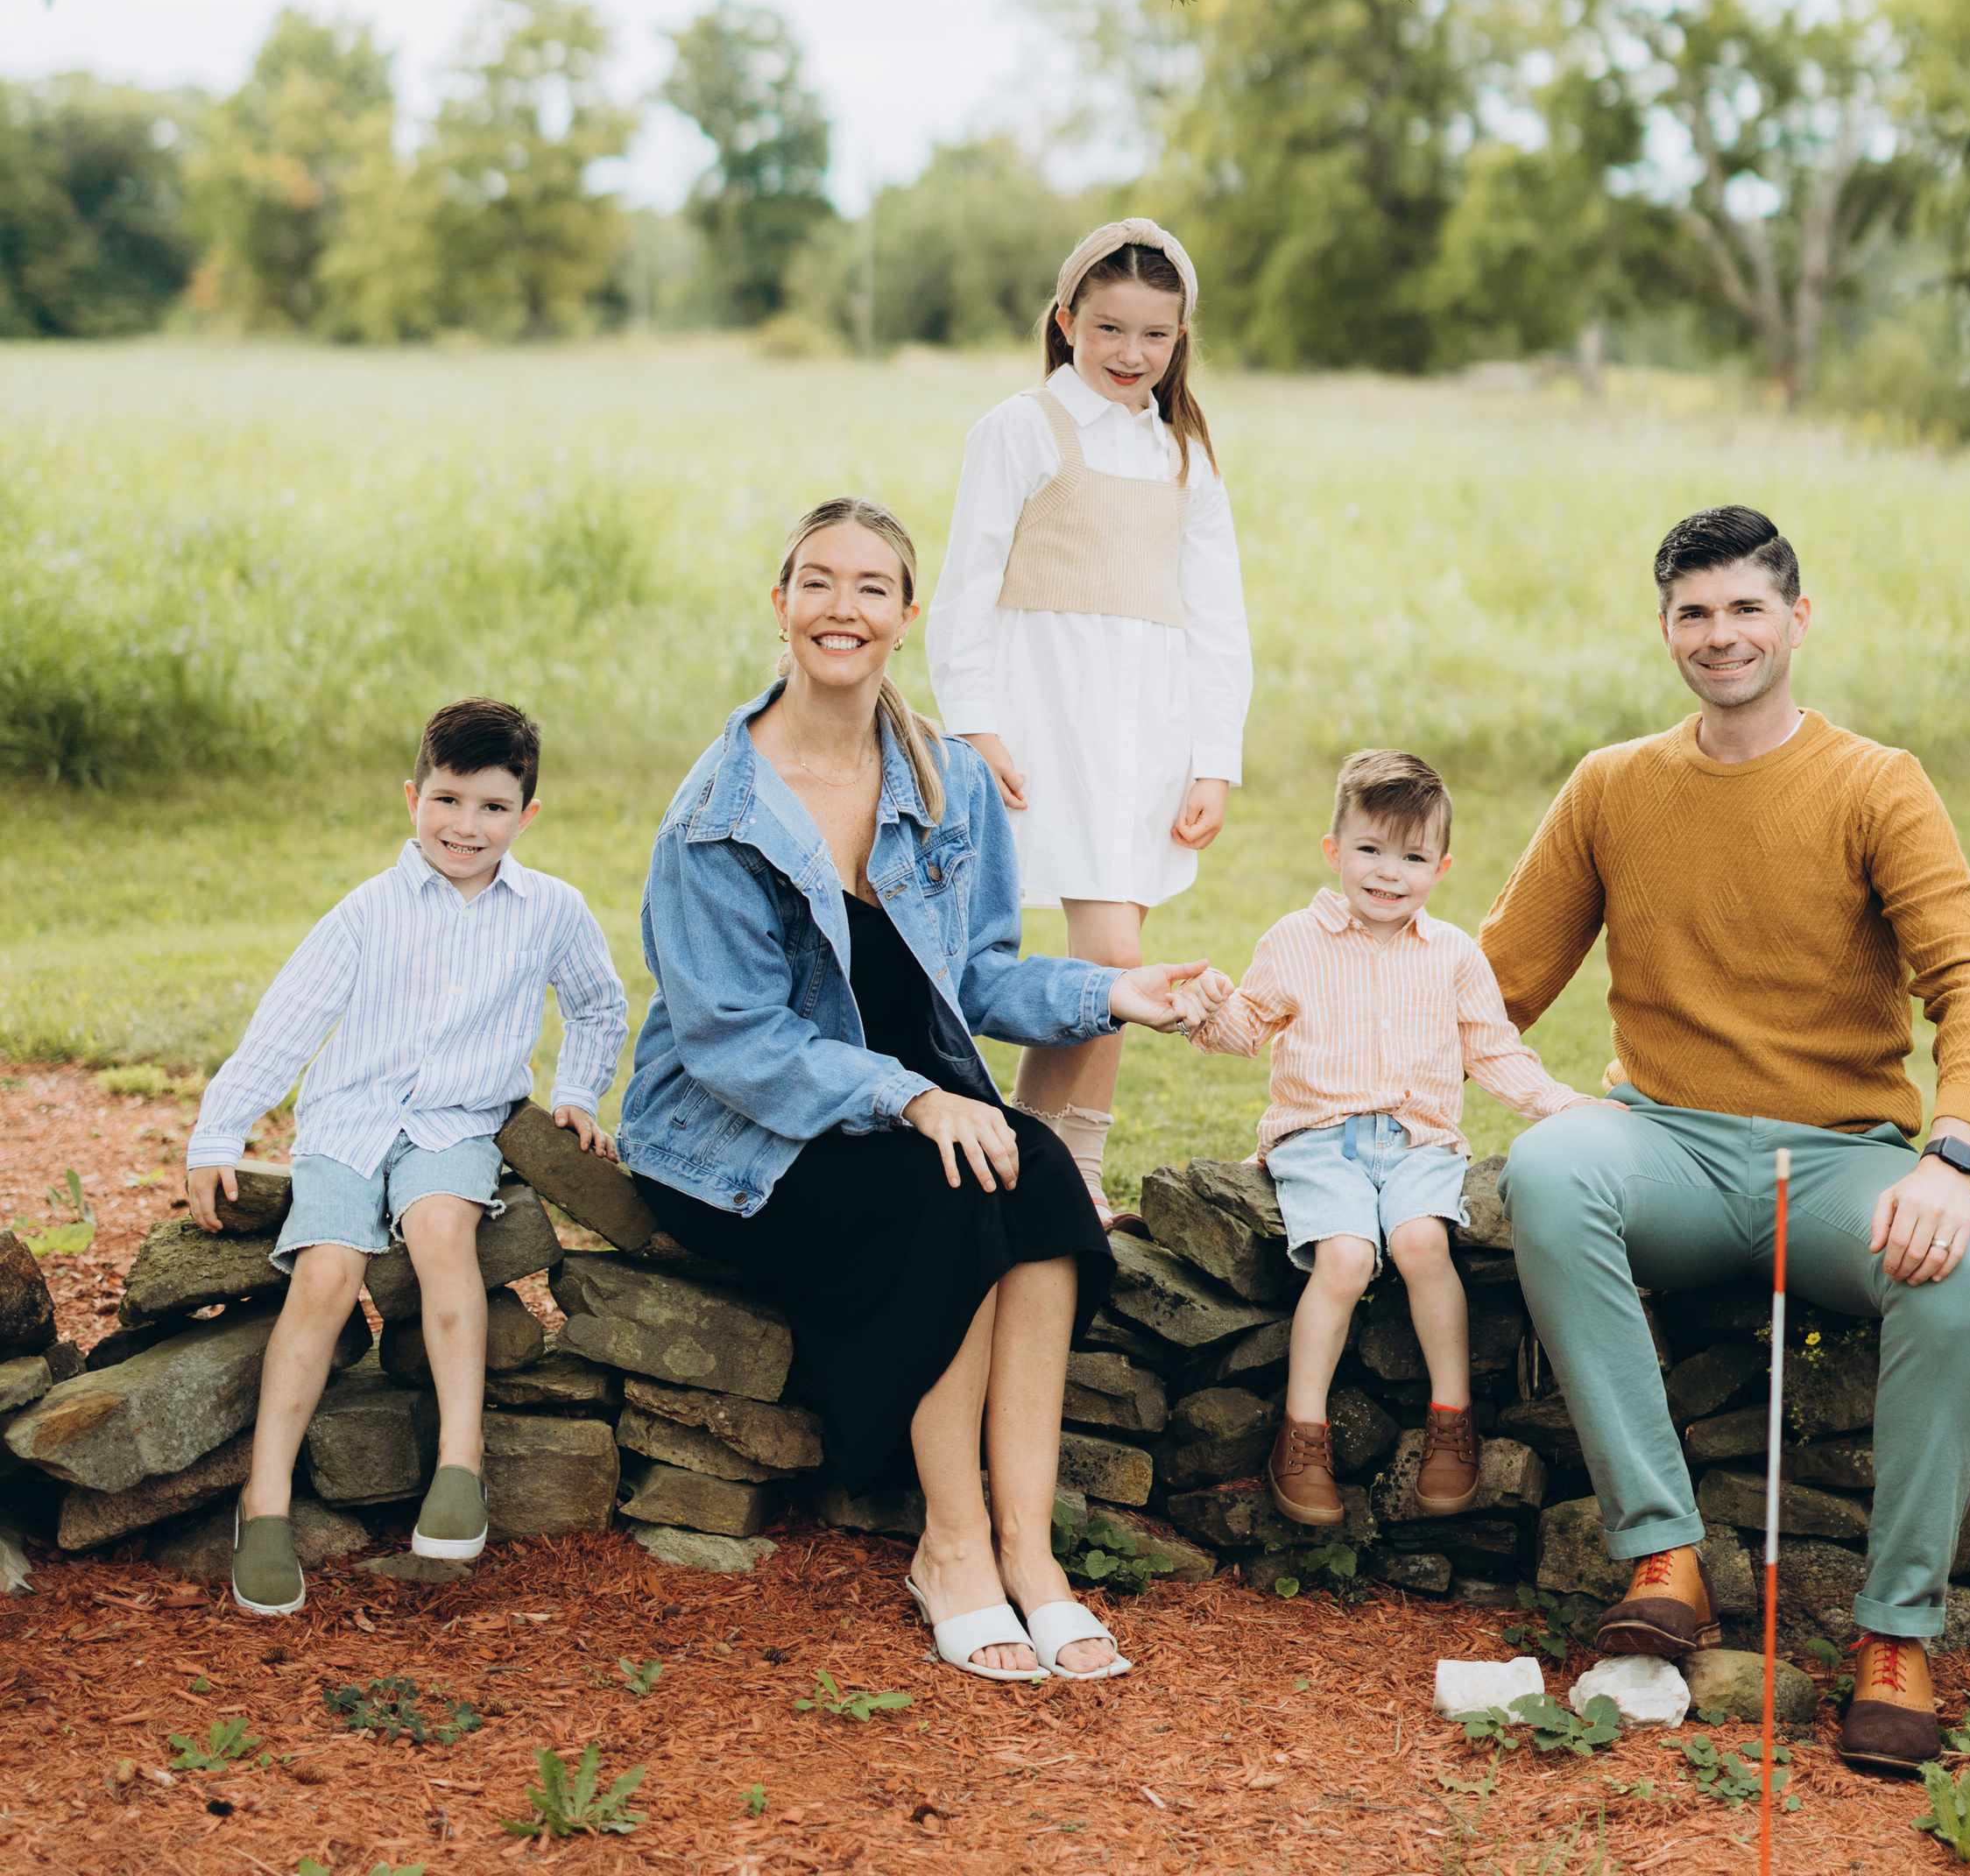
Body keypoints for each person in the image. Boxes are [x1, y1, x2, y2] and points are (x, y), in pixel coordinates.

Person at [619, 493, 1216, 1684]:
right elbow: (734, 1041)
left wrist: (1116, 994)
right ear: (780, 605)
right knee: (950, 1183)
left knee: (1033, 1169)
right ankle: (950, 1548)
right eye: (818, 582)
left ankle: (1030, 1552)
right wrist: (910, 1098)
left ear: (907, 612)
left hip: (896, 1114)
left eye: (870, 586)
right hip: (737, 1139)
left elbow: (982, 971)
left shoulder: (947, 780)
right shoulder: (718, 814)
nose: (843, 607)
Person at [1482, 505, 1970, 1776]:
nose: (1719, 636)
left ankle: (1897, 1640)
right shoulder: (1614, 784)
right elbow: (1493, 981)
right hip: (1660, 1139)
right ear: (1665, 626)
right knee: (1552, 1170)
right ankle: (1665, 1559)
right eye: (1694, 612)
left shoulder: (1876, 782)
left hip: (1837, 1158)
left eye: (1745, 609)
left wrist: (1951, 1156)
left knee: (1958, 1283)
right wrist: (1342, 1012)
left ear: (1797, 617)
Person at [186, 696, 629, 1619]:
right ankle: (263, 1503)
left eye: (493, 807)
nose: (467, 826)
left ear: (527, 816)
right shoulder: (365, 912)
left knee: (439, 1238)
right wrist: (218, 1132)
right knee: (327, 1272)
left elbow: (598, 1004)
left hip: (456, 1124)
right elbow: (288, 1023)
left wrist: (579, 1093)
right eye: (448, 799)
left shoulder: (551, 910)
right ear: (412, 797)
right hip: (349, 1121)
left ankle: (458, 1466)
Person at [925, 215, 1251, 1227]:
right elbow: (963, 589)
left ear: (1180, 338)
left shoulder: (1182, 451)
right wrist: (974, 724)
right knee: (1109, 964)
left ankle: (1036, 1173)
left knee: (1108, 963)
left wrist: (1213, 759)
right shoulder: (1020, 429)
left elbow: (1217, 616)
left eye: (1155, 336)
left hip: (1142, 735)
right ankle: (1062, 1175)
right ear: (1065, 322)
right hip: (1041, 726)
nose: (1130, 354)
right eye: (1108, 329)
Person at [1189, 750, 1592, 1528]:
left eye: (1411, 857)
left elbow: (1494, 1051)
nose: (1388, 873)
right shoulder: (1293, 941)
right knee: (1344, 1258)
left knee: (1419, 1244)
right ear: (1334, 852)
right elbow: (1242, 1031)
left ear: (1441, 867)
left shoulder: (1454, 957)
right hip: (1319, 1136)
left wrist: (1563, 1106)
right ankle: (1302, 1434)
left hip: (1419, 1140)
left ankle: (1452, 1419)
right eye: (1370, 850)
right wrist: (1206, 1008)